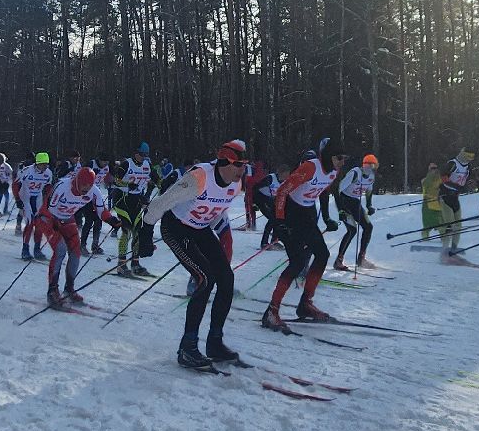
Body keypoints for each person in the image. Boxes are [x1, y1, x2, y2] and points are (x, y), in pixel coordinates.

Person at [144, 140, 249, 370]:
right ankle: (187, 348)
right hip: (176, 228)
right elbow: (160, 204)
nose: (243, 170)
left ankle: (214, 343)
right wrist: (145, 235)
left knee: (226, 279)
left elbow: (218, 212)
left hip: (200, 229)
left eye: (244, 165)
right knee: (204, 280)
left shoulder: (236, 184)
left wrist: (222, 235)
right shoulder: (199, 177)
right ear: (225, 162)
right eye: (239, 165)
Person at [259, 138, 345, 332]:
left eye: (344, 158)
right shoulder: (310, 168)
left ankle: (305, 304)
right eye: (339, 157)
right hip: (289, 212)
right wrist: (279, 221)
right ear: (329, 156)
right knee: (297, 262)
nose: (342, 162)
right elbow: (282, 191)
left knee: (322, 255)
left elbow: (323, 193)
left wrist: (327, 217)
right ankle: (271, 312)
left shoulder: (334, 171)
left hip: (305, 213)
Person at [36, 166, 121, 309]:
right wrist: (54, 223)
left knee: (76, 252)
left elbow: (101, 211)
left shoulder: (94, 191)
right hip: (48, 218)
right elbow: (48, 208)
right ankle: (52, 291)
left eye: (89, 186)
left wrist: (112, 220)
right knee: (61, 249)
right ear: (77, 181)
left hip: (67, 218)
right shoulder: (63, 186)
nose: (86, 189)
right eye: (84, 185)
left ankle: (69, 289)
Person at [331, 153, 378, 271]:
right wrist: (340, 210)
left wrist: (369, 206)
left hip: (355, 202)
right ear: (365, 165)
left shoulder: (371, 176)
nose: (372, 169)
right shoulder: (355, 173)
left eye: (374, 166)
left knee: (368, 227)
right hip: (344, 201)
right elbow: (339, 189)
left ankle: (361, 259)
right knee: (352, 229)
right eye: (370, 166)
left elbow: (369, 192)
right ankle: (339, 260)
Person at [438, 149, 478, 257]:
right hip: (445, 197)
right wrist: (457, 187)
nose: (470, 159)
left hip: (455, 198)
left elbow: (471, 179)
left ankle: (454, 249)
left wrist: (471, 185)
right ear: (463, 154)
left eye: (472, 157)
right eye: (468, 156)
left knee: (458, 226)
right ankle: (444, 248)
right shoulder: (453, 163)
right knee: (450, 224)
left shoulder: (468, 167)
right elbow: (443, 177)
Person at [419, 162, 444, 240]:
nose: (434, 170)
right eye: (432, 168)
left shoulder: (440, 179)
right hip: (427, 204)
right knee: (427, 223)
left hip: (437, 204)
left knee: (441, 223)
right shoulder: (425, 180)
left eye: (435, 168)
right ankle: (425, 237)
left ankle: (444, 237)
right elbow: (426, 184)